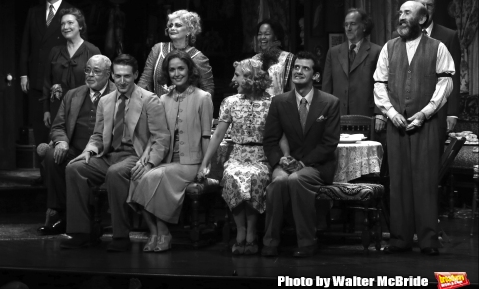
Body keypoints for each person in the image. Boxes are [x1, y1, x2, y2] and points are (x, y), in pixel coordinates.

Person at [61, 54, 170, 252]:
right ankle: (82, 233)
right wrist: (89, 151)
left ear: (135, 75)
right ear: (112, 76)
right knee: (75, 168)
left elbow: (161, 138)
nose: (121, 81)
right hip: (110, 155)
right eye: (117, 76)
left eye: (127, 76)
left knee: (115, 172)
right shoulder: (106, 101)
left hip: (136, 155)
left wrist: (150, 162)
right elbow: (97, 135)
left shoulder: (149, 100)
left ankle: (121, 236)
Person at [375, 1, 454, 256]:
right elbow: (379, 83)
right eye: (400, 13)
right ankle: (400, 239)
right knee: (398, 181)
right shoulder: (389, 48)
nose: (401, 17)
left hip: (426, 124)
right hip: (397, 123)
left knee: (425, 181)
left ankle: (429, 240)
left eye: (407, 13)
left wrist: (424, 113)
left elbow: (445, 85)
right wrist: (391, 112)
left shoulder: (437, 48)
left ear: (422, 20)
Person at [128, 51, 213, 252]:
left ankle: (163, 231)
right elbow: (155, 135)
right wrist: (144, 158)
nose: (176, 73)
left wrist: (205, 166)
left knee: (155, 176)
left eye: (180, 68)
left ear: (190, 70)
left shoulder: (203, 97)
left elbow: (206, 136)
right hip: (165, 160)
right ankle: (155, 232)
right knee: (138, 176)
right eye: (172, 69)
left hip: (190, 163)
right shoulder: (163, 99)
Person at [262, 51, 340, 258]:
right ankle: (270, 242)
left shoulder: (330, 103)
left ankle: (307, 242)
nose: (299, 71)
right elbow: (270, 140)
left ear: (315, 76)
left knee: (297, 179)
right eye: (296, 67)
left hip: (316, 166)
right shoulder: (279, 102)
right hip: (286, 163)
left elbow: (329, 143)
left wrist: (303, 163)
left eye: (305, 68)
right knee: (278, 182)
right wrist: (280, 160)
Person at [197, 58, 273, 255]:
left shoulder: (271, 103)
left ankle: (252, 232)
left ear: (250, 78)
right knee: (232, 177)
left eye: (237, 75)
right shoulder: (230, 102)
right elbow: (218, 135)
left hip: (261, 156)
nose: (233, 79)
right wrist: (204, 163)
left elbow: (279, 135)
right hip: (238, 154)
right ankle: (241, 230)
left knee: (254, 178)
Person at [38, 55, 115, 235]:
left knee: (79, 166)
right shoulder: (73, 94)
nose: (90, 75)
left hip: (104, 152)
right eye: (87, 70)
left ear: (108, 74)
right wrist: (62, 141)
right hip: (75, 148)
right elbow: (57, 125)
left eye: (96, 71)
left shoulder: (117, 93)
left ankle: (81, 218)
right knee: (51, 156)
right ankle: (61, 213)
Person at [19, 0, 75, 185]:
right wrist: (24, 73)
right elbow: (26, 44)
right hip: (35, 78)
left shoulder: (70, 12)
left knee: (60, 127)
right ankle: (44, 175)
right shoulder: (34, 12)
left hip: (60, 78)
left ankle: (58, 175)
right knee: (40, 127)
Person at [412, 0, 461, 143]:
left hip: (437, 111)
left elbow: (453, 76)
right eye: (421, 5)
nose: (425, 9)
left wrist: (452, 113)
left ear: (434, 9)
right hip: (408, 111)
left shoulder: (449, 36)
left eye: (429, 5)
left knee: (433, 161)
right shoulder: (399, 35)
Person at [322, 9, 383, 129]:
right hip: (337, 117)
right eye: (346, 25)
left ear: (364, 27)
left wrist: (380, 114)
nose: (348, 28)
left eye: (353, 24)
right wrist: (324, 114)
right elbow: (326, 88)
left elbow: (382, 85)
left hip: (366, 117)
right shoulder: (333, 52)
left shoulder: (377, 51)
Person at [42, 8, 100, 128]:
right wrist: (46, 110)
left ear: (80, 26)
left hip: (84, 109)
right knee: (58, 144)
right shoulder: (55, 51)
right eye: (62, 24)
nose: (65, 27)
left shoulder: (92, 51)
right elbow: (47, 81)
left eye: (70, 23)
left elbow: (100, 83)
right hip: (57, 108)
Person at [138, 10, 214, 97]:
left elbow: (208, 89)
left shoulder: (198, 57)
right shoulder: (158, 49)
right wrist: (138, 101)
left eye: (178, 25)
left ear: (189, 30)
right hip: (157, 107)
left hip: (187, 108)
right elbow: (145, 80)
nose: (172, 28)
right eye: (170, 25)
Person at [252, 19, 295, 96]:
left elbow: (294, 88)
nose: (262, 37)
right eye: (260, 34)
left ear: (276, 36)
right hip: (258, 105)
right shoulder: (254, 59)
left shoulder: (288, 58)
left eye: (267, 34)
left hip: (281, 104)